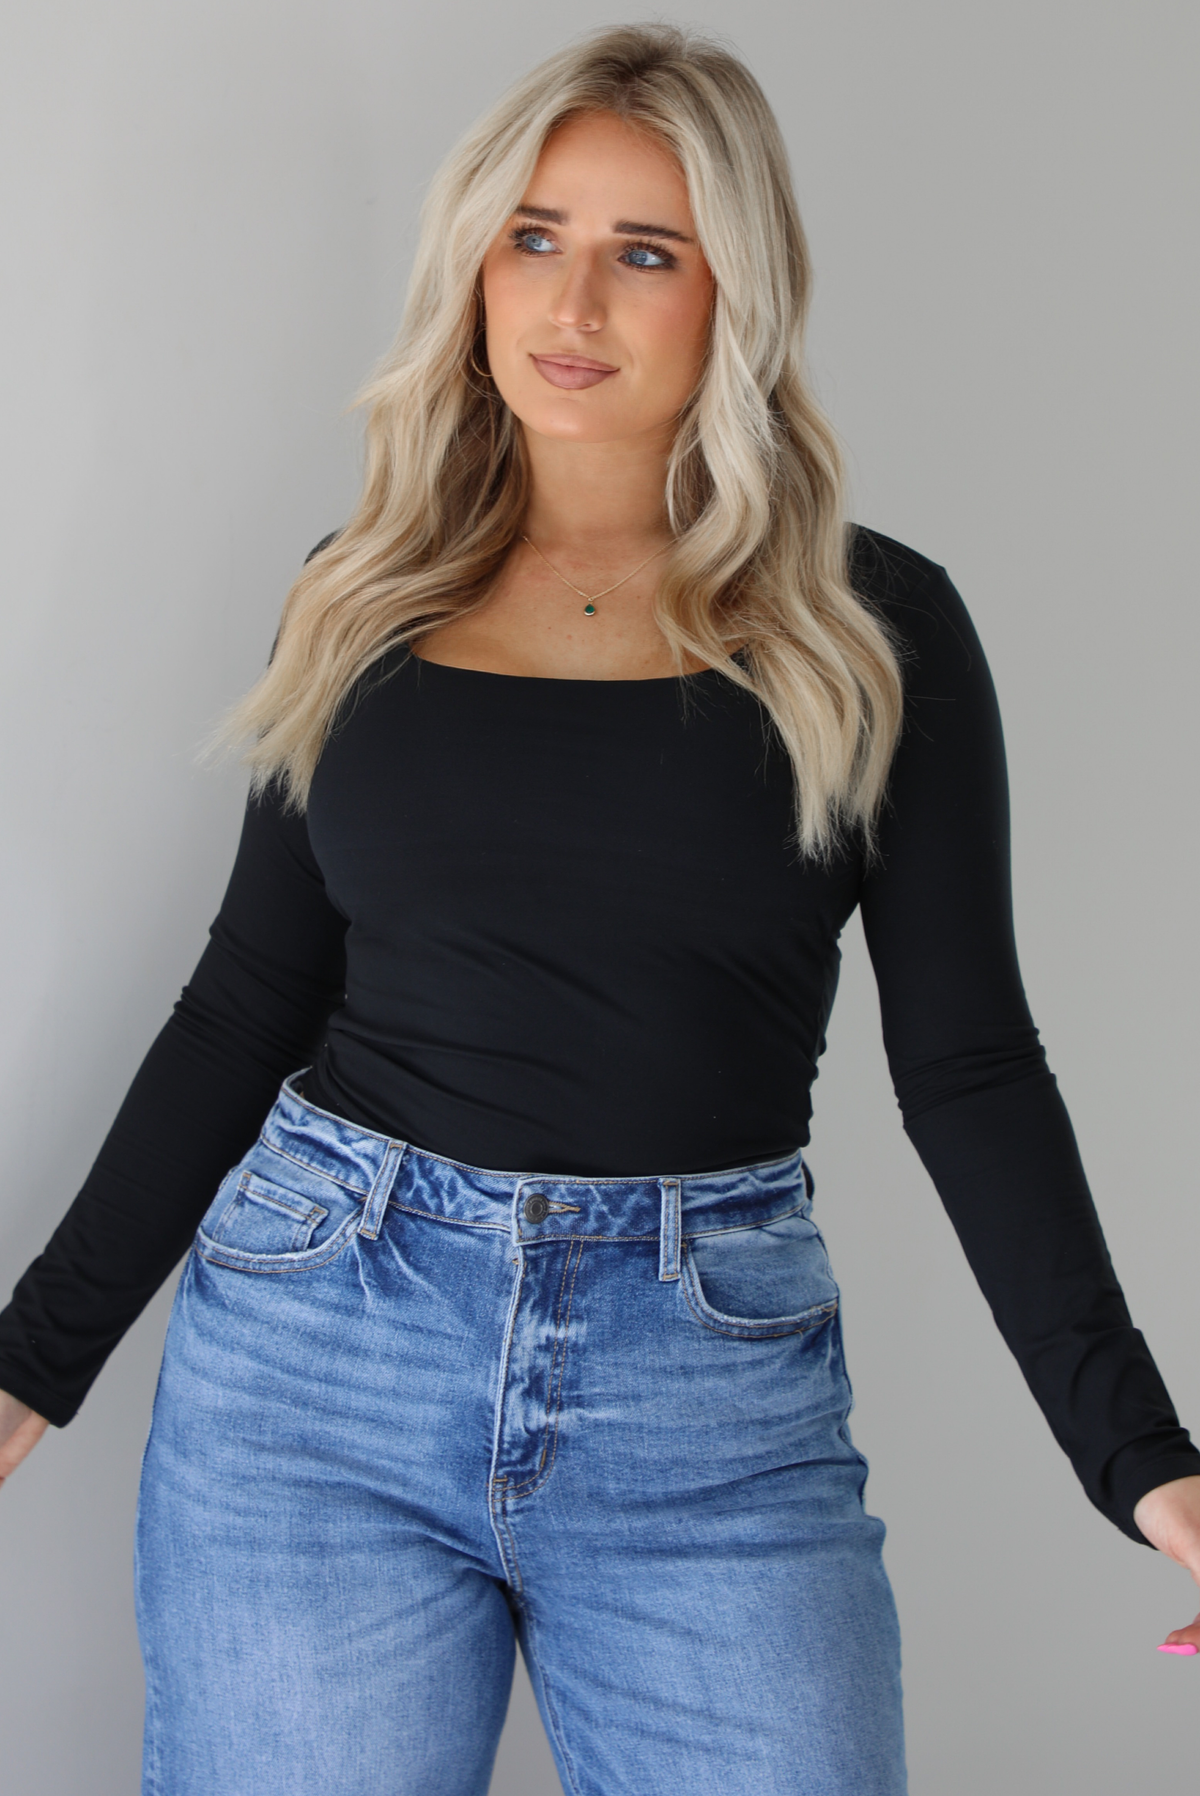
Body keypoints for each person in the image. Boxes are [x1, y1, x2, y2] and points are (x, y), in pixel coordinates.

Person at [0, 22, 1197, 1796]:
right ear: (473, 263)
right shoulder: (361, 601)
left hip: (705, 1382)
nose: (574, 299)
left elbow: (970, 1066)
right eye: (533, 235)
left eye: (648, 251)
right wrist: (31, 1364)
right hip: (319, 1352)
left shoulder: (872, 634)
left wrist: (1140, 1456)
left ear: (740, 294)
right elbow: (246, 1003)